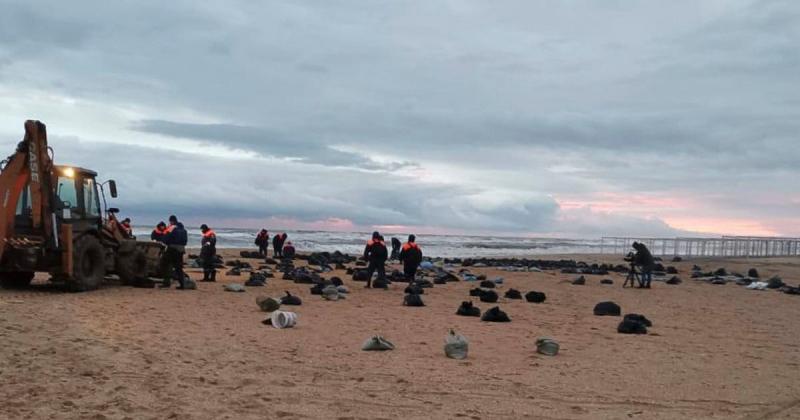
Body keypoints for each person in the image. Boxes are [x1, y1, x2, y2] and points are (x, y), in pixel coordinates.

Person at [161, 215, 188, 289]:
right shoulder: (184, 230)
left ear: (171, 221)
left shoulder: (172, 228)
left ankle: (166, 282)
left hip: (172, 249)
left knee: (165, 264)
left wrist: (164, 242)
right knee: (179, 267)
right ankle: (182, 284)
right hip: (181, 250)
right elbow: (185, 242)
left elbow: (166, 238)